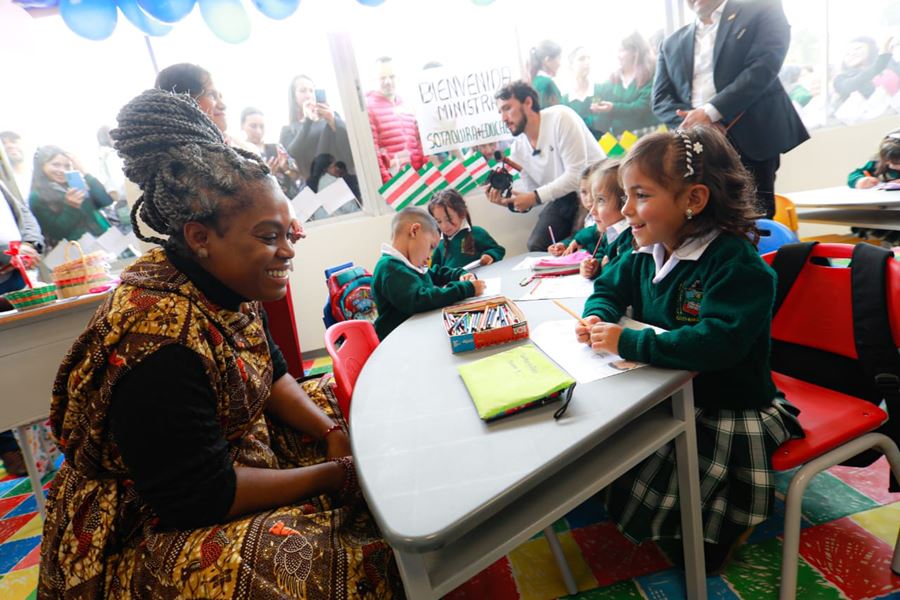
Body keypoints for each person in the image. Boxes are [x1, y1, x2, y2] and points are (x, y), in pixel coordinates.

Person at [39, 88, 399, 599]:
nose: (288, 248)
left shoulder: (227, 279)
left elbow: (269, 372)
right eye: (269, 235)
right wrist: (333, 474)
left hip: (227, 455)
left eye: (287, 231)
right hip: (148, 524)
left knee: (363, 418)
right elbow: (201, 494)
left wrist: (329, 434)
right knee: (330, 563)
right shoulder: (155, 339)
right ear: (200, 236)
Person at [575, 127, 802, 574]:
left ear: (693, 200)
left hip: (727, 408)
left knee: (701, 517)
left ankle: (724, 529)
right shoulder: (649, 250)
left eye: (639, 195)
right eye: (623, 195)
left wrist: (632, 341)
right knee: (631, 456)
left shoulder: (736, 265)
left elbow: (717, 344)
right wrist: (600, 314)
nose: (624, 210)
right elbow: (608, 285)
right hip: (674, 391)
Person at [652, 0, 809, 218]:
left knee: (755, 221)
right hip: (697, 146)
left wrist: (710, 112)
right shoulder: (670, 43)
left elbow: (763, 67)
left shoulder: (762, 9)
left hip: (751, 137)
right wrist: (695, 122)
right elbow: (660, 99)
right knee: (702, 221)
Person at [488, 80, 605, 252]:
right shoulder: (518, 147)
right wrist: (511, 202)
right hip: (564, 198)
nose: (503, 118)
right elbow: (536, 192)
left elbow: (577, 176)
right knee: (536, 245)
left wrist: (533, 197)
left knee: (582, 244)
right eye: (500, 112)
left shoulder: (561, 117)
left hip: (595, 191)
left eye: (507, 108)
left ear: (528, 102)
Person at [372, 206, 484, 340]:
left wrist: (459, 274)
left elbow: (434, 273)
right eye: (431, 247)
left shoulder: (408, 265)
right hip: (399, 342)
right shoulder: (390, 268)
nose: (430, 256)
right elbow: (420, 299)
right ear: (414, 231)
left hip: (417, 332)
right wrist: (466, 289)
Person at [0, 178, 45, 475]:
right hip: (7, 262)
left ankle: (47, 438)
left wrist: (29, 245)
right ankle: (7, 447)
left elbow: (22, 213)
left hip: (16, 276)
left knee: (33, 354)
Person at [29, 145, 113, 248]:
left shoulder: (76, 184)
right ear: (42, 166)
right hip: (77, 251)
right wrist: (71, 207)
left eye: (67, 166)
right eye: (56, 165)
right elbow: (57, 233)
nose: (62, 170)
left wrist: (85, 173)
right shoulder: (36, 197)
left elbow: (106, 201)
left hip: (105, 240)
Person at [280, 75, 356, 182]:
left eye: (311, 91)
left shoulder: (331, 117)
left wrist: (332, 119)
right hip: (319, 185)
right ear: (294, 96)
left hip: (345, 177)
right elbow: (293, 153)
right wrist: (308, 120)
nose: (308, 95)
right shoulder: (288, 129)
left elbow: (351, 142)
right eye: (302, 91)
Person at [366, 57, 426, 183]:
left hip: (419, 179)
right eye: (382, 78)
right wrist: (389, 183)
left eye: (391, 76)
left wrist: (425, 172)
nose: (388, 81)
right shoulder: (369, 108)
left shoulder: (408, 104)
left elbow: (419, 142)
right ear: (375, 79)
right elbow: (374, 152)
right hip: (395, 184)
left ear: (398, 77)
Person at [592, 32, 657, 136]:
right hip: (622, 139)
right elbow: (600, 95)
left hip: (647, 136)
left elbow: (642, 107)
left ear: (635, 52)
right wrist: (597, 104)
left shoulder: (650, 75)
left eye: (621, 50)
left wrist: (613, 108)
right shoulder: (614, 79)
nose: (618, 56)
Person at [579, 160, 632, 279]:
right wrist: (594, 266)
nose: (592, 210)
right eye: (594, 200)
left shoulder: (630, 239)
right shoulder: (611, 233)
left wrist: (606, 269)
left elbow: (620, 278)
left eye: (601, 200)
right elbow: (603, 253)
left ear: (624, 203)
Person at [427, 189, 505, 269]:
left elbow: (498, 249)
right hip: (456, 281)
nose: (444, 226)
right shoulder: (439, 245)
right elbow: (434, 272)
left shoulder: (477, 232)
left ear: (461, 213)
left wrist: (490, 255)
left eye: (449, 219)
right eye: (439, 221)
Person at [240, 106, 300, 198]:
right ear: (242, 126)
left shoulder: (277, 148)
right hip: (267, 205)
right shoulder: (239, 154)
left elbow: (296, 176)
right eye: (253, 126)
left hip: (293, 200)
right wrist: (266, 175)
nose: (258, 131)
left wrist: (286, 168)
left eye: (262, 126)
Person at [548, 163, 601, 256]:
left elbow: (595, 237)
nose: (589, 199)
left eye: (593, 192)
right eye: (584, 192)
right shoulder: (587, 216)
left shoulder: (606, 218)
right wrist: (565, 245)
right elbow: (582, 240)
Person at [563, 47, 601, 138]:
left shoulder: (600, 89)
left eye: (588, 58)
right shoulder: (565, 100)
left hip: (606, 146)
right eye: (582, 59)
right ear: (571, 66)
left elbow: (603, 120)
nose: (587, 62)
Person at [528, 40, 563, 109]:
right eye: (559, 58)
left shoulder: (534, 82)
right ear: (547, 60)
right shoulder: (547, 83)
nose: (560, 64)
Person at [1, 131, 33, 201]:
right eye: (3, 143)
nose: (10, 146)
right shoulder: (3, 184)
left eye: (14, 141)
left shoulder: (39, 174)